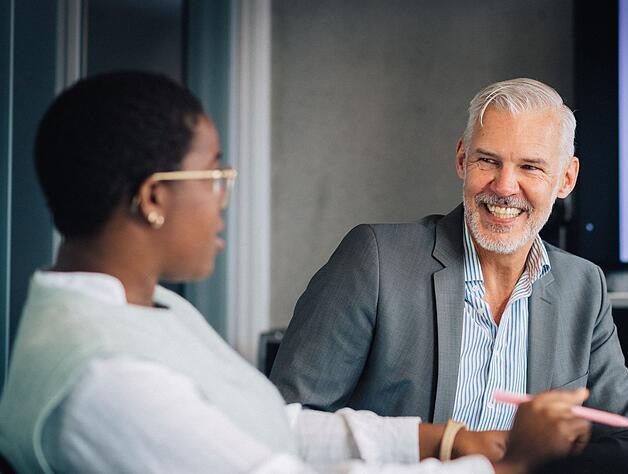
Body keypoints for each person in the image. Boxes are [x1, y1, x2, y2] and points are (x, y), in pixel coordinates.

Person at [0, 72, 594, 474]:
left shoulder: (140, 312)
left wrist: (444, 441)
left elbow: (270, 425)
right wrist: (507, 465)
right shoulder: (108, 383)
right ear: (155, 197)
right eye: (214, 174)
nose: (224, 195)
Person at [271, 78, 628, 471]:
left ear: (566, 180)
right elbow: (281, 426)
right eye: (488, 160)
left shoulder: (584, 287)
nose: (505, 186)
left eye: (530, 167)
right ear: (461, 159)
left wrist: (538, 458)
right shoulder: (376, 261)